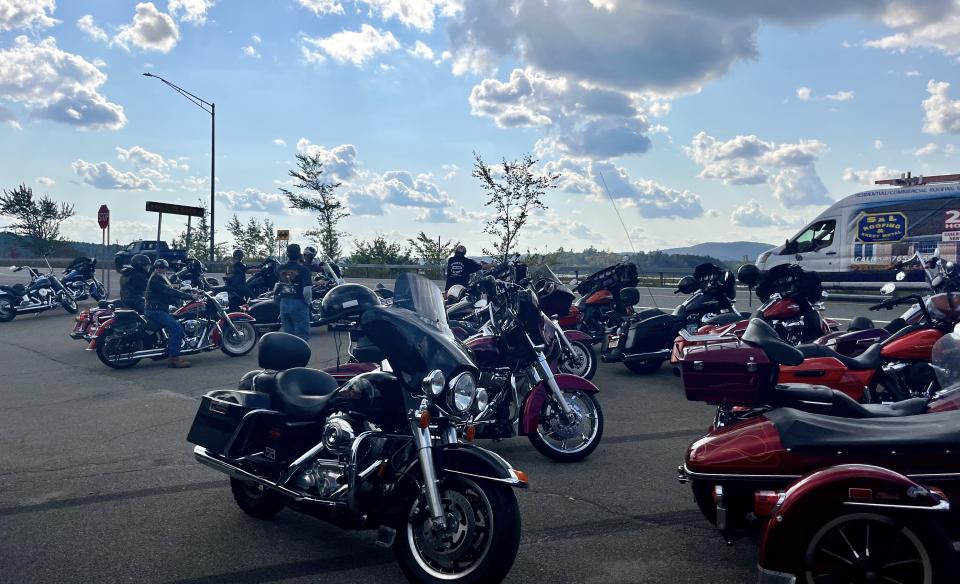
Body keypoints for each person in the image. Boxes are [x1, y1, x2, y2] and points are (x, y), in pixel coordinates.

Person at [145, 259, 198, 368]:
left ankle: (174, 350)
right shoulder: (155, 279)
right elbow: (169, 291)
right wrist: (190, 296)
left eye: (163, 267)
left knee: (178, 319)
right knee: (176, 327)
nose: (161, 269)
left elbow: (170, 288)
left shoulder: (160, 277)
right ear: (156, 268)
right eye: (159, 267)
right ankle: (174, 359)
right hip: (155, 311)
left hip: (159, 309)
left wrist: (187, 291)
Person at [275, 243, 313, 342]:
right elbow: (307, 291)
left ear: (287, 254)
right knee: (302, 336)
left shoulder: (279, 268)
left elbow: (278, 284)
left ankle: (289, 356)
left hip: (284, 303)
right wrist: (308, 302)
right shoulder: (304, 270)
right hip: (298, 302)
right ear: (299, 254)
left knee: (288, 336)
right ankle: (300, 356)